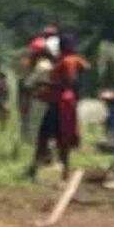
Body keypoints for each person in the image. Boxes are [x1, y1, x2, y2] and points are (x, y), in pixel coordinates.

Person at [28, 39, 84, 180]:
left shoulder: (65, 62)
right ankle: (65, 170)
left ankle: (34, 169)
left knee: (44, 135)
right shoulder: (75, 61)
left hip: (57, 103)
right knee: (62, 138)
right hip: (67, 102)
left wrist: (43, 84)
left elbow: (65, 82)